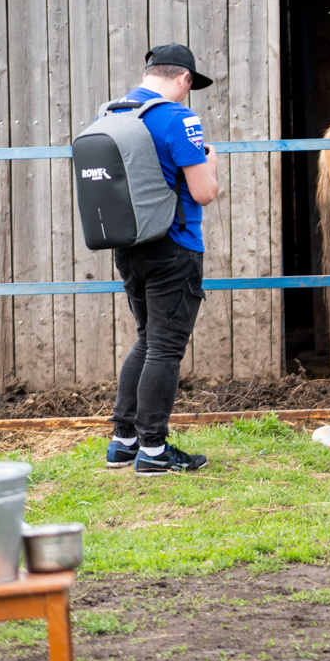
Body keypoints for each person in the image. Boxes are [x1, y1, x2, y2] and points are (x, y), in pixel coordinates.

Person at [105, 45, 219, 475]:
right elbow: (204, 192)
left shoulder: (115, 114)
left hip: (129, 246)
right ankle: (153, 450)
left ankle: (124, 441)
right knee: (166, 348)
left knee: (147, 339)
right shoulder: (178, 118)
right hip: (174, 246)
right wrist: (212, 162)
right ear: (183, 79)